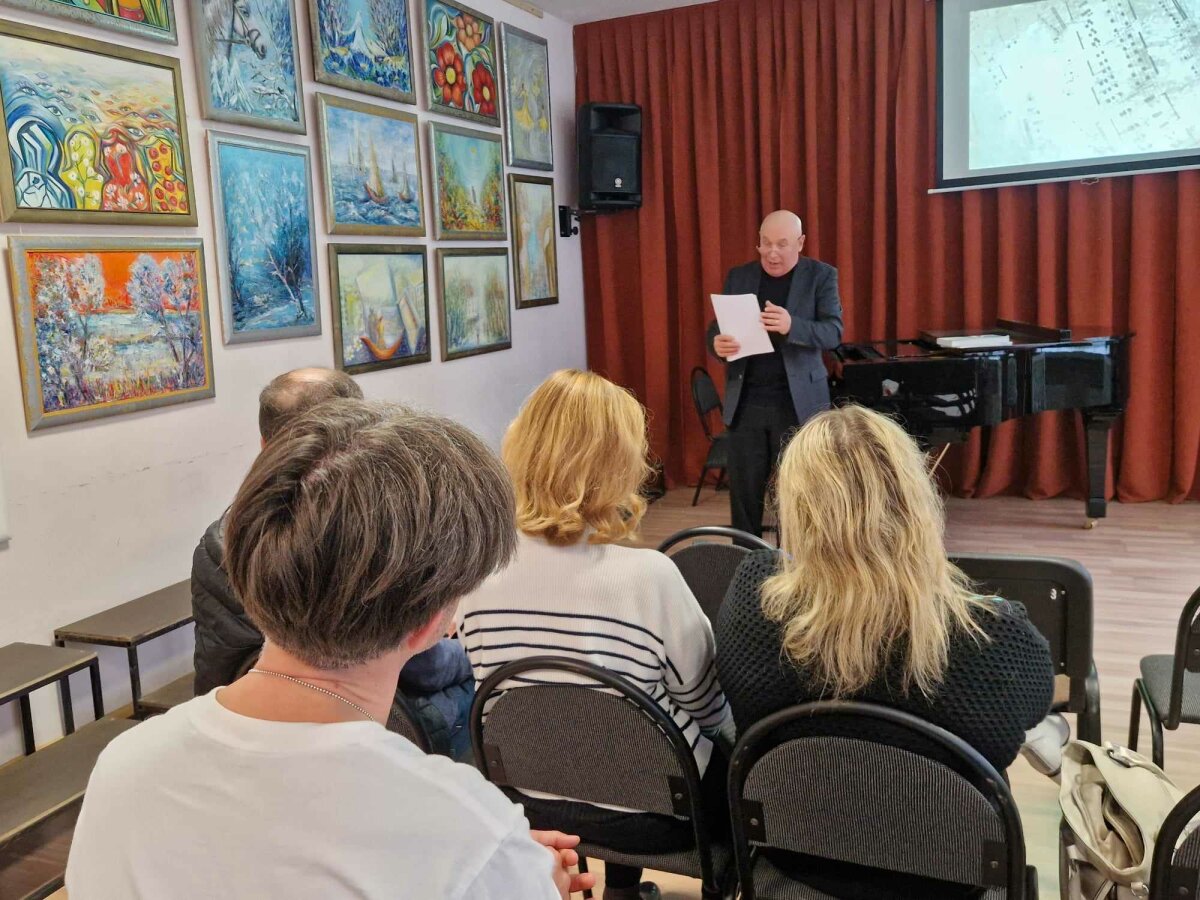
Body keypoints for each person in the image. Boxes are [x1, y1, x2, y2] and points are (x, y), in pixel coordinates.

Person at [67, 400, 594, 900]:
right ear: (431, 623)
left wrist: (499, 867)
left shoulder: (124, 768)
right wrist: (524, 879)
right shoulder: (467, 831)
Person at [715, 405, 1054, 899]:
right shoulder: (994, 638)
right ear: (916, 499)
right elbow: (1028, 715)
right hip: (947, 880)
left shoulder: (752, 598)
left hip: (796, 860)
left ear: (798, 510)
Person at [457, 369, 732, 900]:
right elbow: (709, 708)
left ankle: (620, 888)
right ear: (618, 466)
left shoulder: (475, 573)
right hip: (659, 816)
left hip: (529, 800)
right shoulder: (650, 577)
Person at [191, 367, 475, 757]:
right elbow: (419, 668)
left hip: (241, 727)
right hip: (382, 721)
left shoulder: (217, 541)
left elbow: (214, 660)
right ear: (359, 441)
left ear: (265, 445)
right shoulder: (370, 543)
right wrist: (470, 653)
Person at [707, 210, 844, 537]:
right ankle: (747, 558)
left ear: (800, 243)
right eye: (765, 244)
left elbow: (833, 332)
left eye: (782, 244)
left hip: (797, 405)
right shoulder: (739, 276)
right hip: (746, 403)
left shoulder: (821, 276)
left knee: (798, 496)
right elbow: (717, 326)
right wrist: (717, 343)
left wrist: (792, 325)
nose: (772, 253)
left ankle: (796, 560)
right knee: (744, 496)